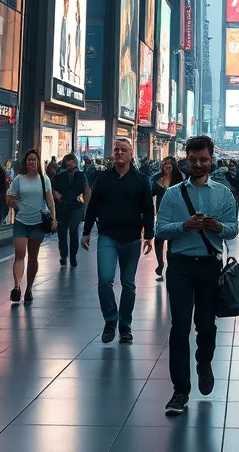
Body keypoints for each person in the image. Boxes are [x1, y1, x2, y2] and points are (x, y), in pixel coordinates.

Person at [156, 135, 239, 416]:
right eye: (194, 160)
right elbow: (160, 230)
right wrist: (185, 226)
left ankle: (204, 362)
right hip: (179, 265)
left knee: (206, 325)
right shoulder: (172, 193)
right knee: (180, 326)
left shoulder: (223, 193)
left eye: (204, 160)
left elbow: (233, 229)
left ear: (211, 159)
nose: (199, 164)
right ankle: (180, 390)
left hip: (209, 265)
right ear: (186, 159)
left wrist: (216, 226)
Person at [82, 137, 154, 343]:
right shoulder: (104, 179)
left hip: (132, 238)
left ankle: (125, 325)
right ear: (112, 155)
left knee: (128, 284)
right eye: (116, 150)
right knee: (105, 280)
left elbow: (148, 209)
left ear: (131, 154)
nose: (119, 153)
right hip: (108, 236)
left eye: (124, 150)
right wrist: (86, 231)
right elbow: (93, 206)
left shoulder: (140, 180)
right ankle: (110, 320)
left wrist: (149, 234)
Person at [7, 150, 56, 304]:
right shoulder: (18, 180)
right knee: (19, 254)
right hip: (21, 221)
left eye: (34, 159)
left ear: (38, 162)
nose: (31, 162)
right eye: (29, 159)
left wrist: (54, 218)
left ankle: (29, 288)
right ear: (25, 162)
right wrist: (13, 203)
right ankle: (17, 287)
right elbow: (10, 199)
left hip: (38, 223)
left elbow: (50, 200)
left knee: (33, 256)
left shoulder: (44, 179)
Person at [52, 153, 90, 268]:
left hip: (77, 207)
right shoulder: (59, 177)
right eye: (68, 163)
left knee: (74, 229)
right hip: (62, 207)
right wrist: (60, 198)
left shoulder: (81, 176)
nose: (70, 165)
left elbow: (86, 190)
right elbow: (53, 191)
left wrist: (86, 205)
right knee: (62, 233)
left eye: (72, 162)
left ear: (75, 163)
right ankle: (64, 255)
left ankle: (73, 257)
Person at [152, 156, 184, 279]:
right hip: (162, 215)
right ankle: (160, 263)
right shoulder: (156, 178)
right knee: (158, 240)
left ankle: (172, 265)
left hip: (177, 216)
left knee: (174, 242)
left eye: (170, 164)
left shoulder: (181, 178)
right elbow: (149, 191)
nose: (167, 166)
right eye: (165, 164)